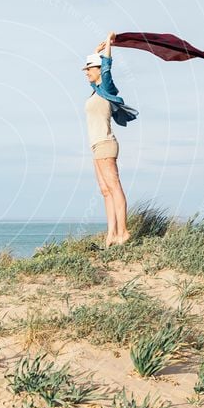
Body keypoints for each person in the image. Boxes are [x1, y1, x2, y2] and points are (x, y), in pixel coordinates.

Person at [83, 31, 131, 247]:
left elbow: (107, 67)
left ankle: (123, 232)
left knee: (114, 187)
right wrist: (94, 52)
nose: (85, 73)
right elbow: (98, 70)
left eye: (88, 70)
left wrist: (109, 44)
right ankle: (110, 235)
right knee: (105, 190)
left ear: (98, 70)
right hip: (95, 147)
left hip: (106, 144)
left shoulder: (106, 88)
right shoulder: (95, 91)